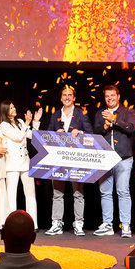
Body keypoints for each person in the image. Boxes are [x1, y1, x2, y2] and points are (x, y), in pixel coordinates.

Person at [37, 86, 93, 236]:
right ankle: (56, 224)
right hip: (59, 160)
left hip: (76, 160)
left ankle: (79, 223)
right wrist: (55, 134)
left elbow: (91, 135)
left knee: (78, 193)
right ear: (61, 98)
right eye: (64, 95)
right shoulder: (55, 115)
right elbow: (47, 136)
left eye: (70, 95)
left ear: (74, 98)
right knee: (57, 193)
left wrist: (80, 133)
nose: (67, 97)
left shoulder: (81, 114)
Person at [92, 84, 135, 237]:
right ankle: (107, 225)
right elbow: (95, 132)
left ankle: (125, 226)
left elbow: (131, 128)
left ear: (118, 96)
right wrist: (105, 125)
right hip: (104, 158)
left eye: (112, 95)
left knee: (123, 191)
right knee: (105, 193)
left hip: (123, 157)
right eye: (107, 96)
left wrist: (114, 120)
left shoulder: (127, 111)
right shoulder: (100, 113)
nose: (110, 98)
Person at [0, 100, 41, 229]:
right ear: (6, 111)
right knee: (11, 194)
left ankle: (33, 224)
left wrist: (35, 122)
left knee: (30, 193)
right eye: (11, 108)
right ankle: (11, 224)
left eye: (14, 106)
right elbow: (17, 137)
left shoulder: (20, 122)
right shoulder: (4, 125)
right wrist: (27, 124)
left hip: (25, 161)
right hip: (12, 163)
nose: (14, 109)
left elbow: (31, 136)